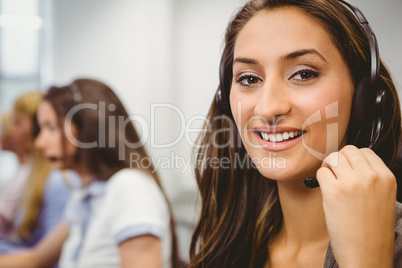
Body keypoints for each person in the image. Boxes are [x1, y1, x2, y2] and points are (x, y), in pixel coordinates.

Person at [189, 0, 401, 267]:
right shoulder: (224, 243)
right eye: (249, 79)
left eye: (303, 74)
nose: (267, 108)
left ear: (365, 96)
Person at [0, 79, 180, 268]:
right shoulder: (85, 194)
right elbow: (35, 259)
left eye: (51, 128)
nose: (40, 143)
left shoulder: (129, 188)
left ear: (87, 129)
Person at [0, 92, 71, 252]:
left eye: (17, 123)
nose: (10, 132)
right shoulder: (32, 173)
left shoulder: (56, 181)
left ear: (35, 128)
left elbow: (45, 257)